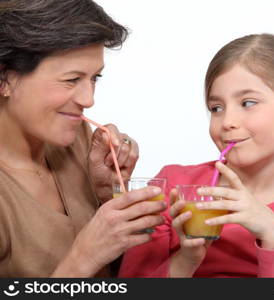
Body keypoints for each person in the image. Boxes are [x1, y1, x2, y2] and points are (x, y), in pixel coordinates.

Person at [119, 33, 274, 278]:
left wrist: (273, 238)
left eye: (248, 103)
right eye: (216, 108)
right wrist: (186, 260)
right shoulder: (173, 186)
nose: (227, 122)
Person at [0, 0, 166, 277]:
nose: (88, 100)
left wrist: (107, 196)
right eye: (71, 79)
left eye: (94, 78)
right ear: (4, 77)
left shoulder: (77, 138)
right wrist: (84, 256)